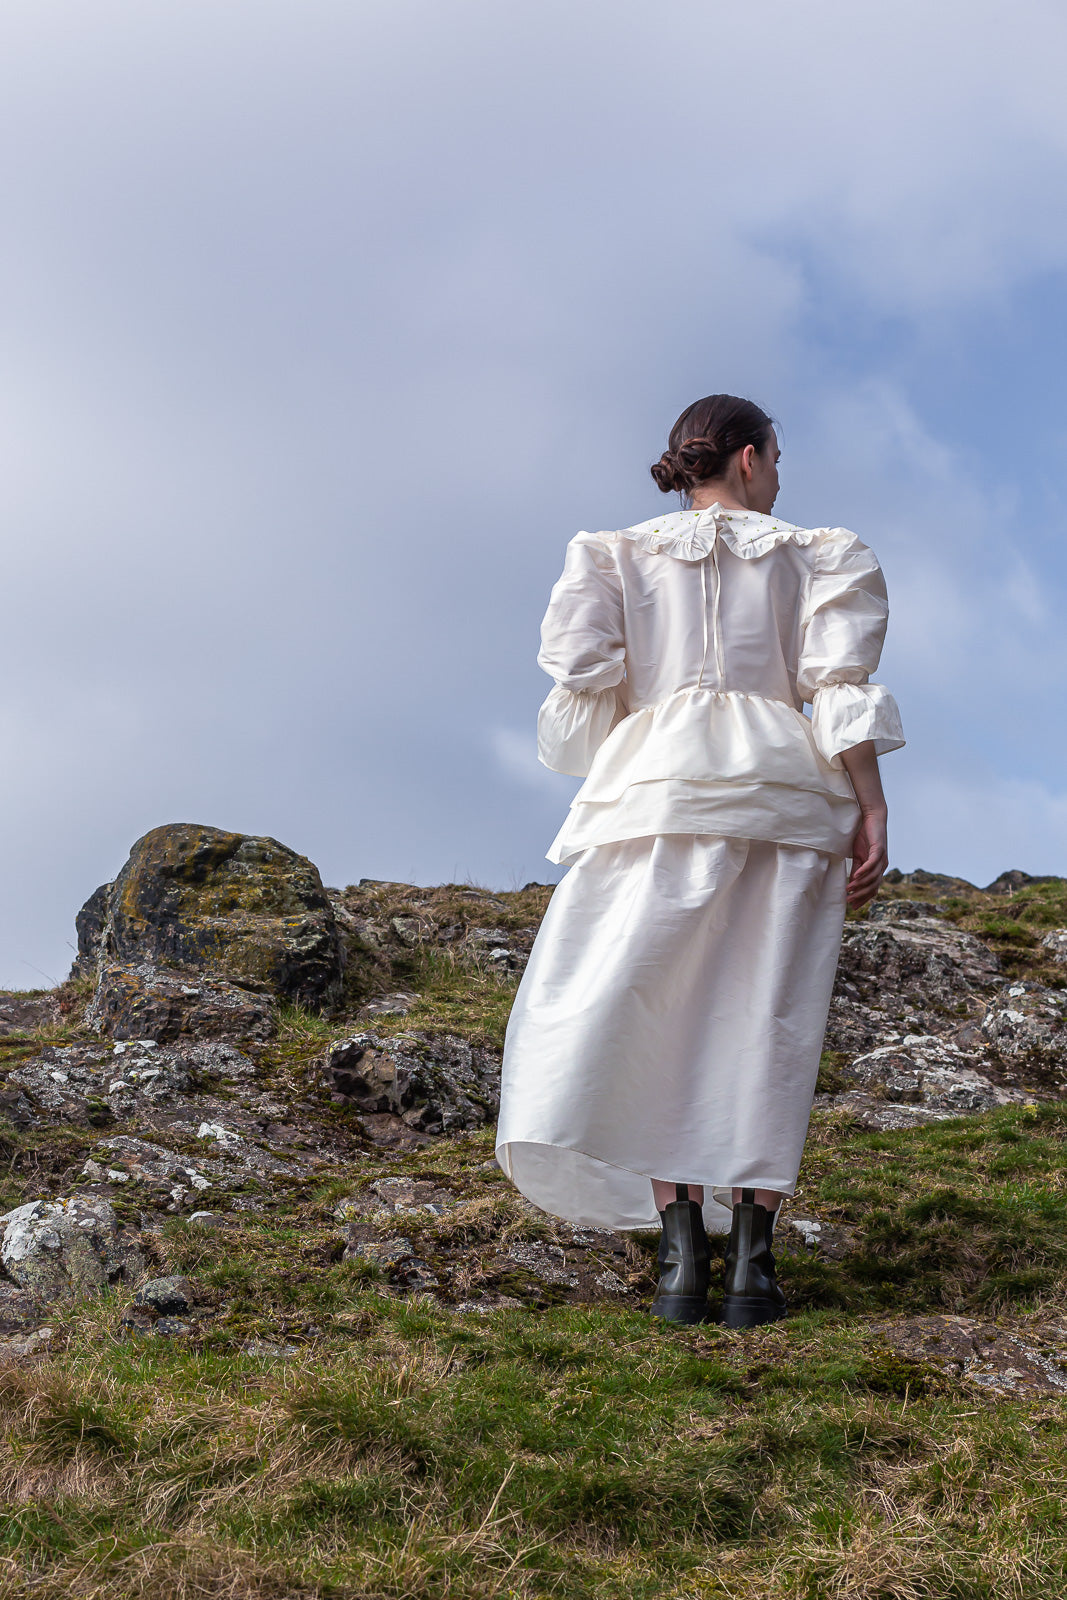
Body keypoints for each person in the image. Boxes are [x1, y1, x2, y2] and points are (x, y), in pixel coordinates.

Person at [494, 394, 904, 1328]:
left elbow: (583, 692)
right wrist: (871, 809)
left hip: (650, 794)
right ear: (753, 459)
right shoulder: (825, 553)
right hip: (784, 798)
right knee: (766, 1015)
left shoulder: (608, 553)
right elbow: (838, 687)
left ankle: (682, 1257)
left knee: (655, 1009)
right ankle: (752, 1266)